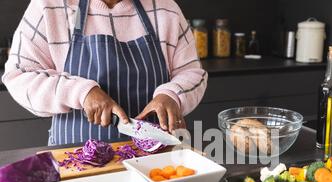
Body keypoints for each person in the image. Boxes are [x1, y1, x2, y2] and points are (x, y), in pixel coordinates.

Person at [2, 0, 207, 145]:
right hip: (77, 163)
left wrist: (171, 96)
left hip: (159, 161)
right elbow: (19, 75)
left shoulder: (165, 8)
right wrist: (82, 93)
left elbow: (192, 73)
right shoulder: (49, 6)